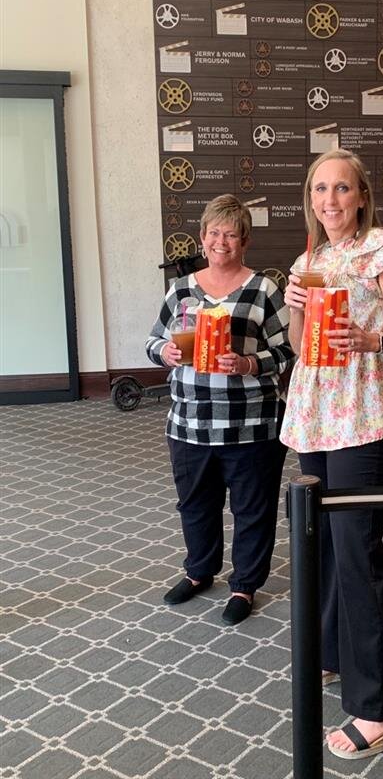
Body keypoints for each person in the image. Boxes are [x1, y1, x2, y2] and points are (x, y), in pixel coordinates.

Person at [280, 149, 383, 758]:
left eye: (342, 189)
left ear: (362, 196)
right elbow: (299, 346)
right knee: (320, 542)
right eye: (320, 189)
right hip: (317, 410)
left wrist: (373, 338)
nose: (330, 200)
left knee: (356, 549)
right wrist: (294, 311)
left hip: (364, 412)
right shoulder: (309, 258)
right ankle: (334, 652)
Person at [146, 194, 294, 625]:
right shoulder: (181, 289)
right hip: (189, 423)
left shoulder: (264, 289)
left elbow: (289, 350)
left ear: (244, 240)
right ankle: (199, 573)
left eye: (230, 234)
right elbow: (153, 340)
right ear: (202, 237)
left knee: (252, 508)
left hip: (250, 423)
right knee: (195, 505)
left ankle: (245, 585)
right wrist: (166, 354)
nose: (221, 241)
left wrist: (249, 363)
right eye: (214, 233)